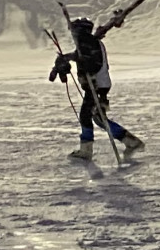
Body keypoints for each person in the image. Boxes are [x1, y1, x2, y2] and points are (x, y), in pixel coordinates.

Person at [49, 9, 146, 156]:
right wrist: (66, 59)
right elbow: (79, 55)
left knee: (87, 116)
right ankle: (131, 141)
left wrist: (82, 63)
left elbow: (92, 63)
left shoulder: (89, 43)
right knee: (99, 118)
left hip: (97, 85)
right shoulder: (88, 43)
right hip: (99, 85)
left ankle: (86, 150)